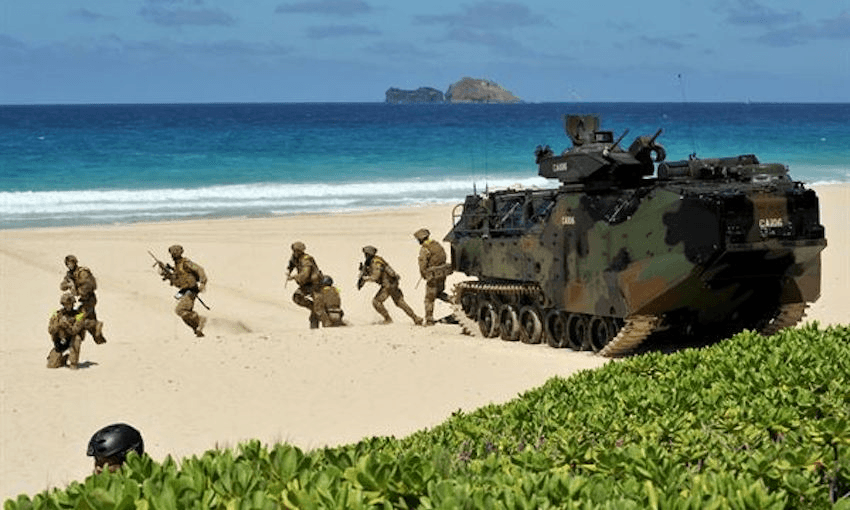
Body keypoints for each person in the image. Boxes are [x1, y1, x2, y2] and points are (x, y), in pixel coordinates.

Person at [358, 245, 423, 325]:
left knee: (376, 302)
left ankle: (388, 319)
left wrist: (365, 279)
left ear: (368, 254)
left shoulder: (375, 262)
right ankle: (416, 318)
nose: (365, 256)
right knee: (400, 302)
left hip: (388, 285)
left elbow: (375, 276)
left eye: (366, 254)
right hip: (392, 284)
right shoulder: (377, 260)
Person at [160, 245, 207, 337]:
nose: (173, 255)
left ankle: (199, 321)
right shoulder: (177, 266)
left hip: (191, 290)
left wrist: (202, 283)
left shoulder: (186, 263)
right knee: (181, 311)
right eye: (172, 253)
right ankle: (196, 328)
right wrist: (167, 274)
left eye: (175, 252)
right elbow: (176, 279)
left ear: (179, 253)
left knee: (180, 310)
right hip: (184, 290)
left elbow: (199, 269)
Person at [60, 255, 106, 345]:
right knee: (90, 321)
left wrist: (77, 291)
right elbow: (62, 286)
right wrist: (69, 285)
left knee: (80, 317)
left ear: (75, 262)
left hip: (89, 299)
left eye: (71, 263)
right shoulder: (70, 274)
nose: (70, 265)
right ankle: (100, 339)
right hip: (84, 300)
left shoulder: (82, 272)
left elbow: (89, 286)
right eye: (68, 264)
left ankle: (97, 325)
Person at [414, 228, 453, 325]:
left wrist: (424, 274)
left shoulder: (425, 249)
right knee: (439, 293)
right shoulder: (437, 245)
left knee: (429, 298)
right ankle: (454, 301)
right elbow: (444, 257)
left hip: (433, 276)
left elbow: (422, 264)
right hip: (442, 274)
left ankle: (429, 320)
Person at [286, 241, 323, 329]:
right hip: (307, 284)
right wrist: (290, 268)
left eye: (297, 251)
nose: (295, 252)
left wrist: (294, 277)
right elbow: (292, 262)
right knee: (297, 297)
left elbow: (305, 274)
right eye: (294, 250)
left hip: (314, 284)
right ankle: (314, 310)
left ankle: (315, 321)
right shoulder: (296, 258)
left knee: (299, 297)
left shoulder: (306, 260)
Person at [46, 293, 84, 369]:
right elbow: (50, 330)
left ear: (73, 304)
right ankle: (63, 358)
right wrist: (58, 325)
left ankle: (73, 362)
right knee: (51, 365)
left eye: (70, 304)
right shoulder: (56, 314)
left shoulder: (79, 315)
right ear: (63, 304)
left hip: (72, 339)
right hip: (60, 341)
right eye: (66, 304)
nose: (68, 306)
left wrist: (67, 325)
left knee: (77, 338)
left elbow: (75, 330)